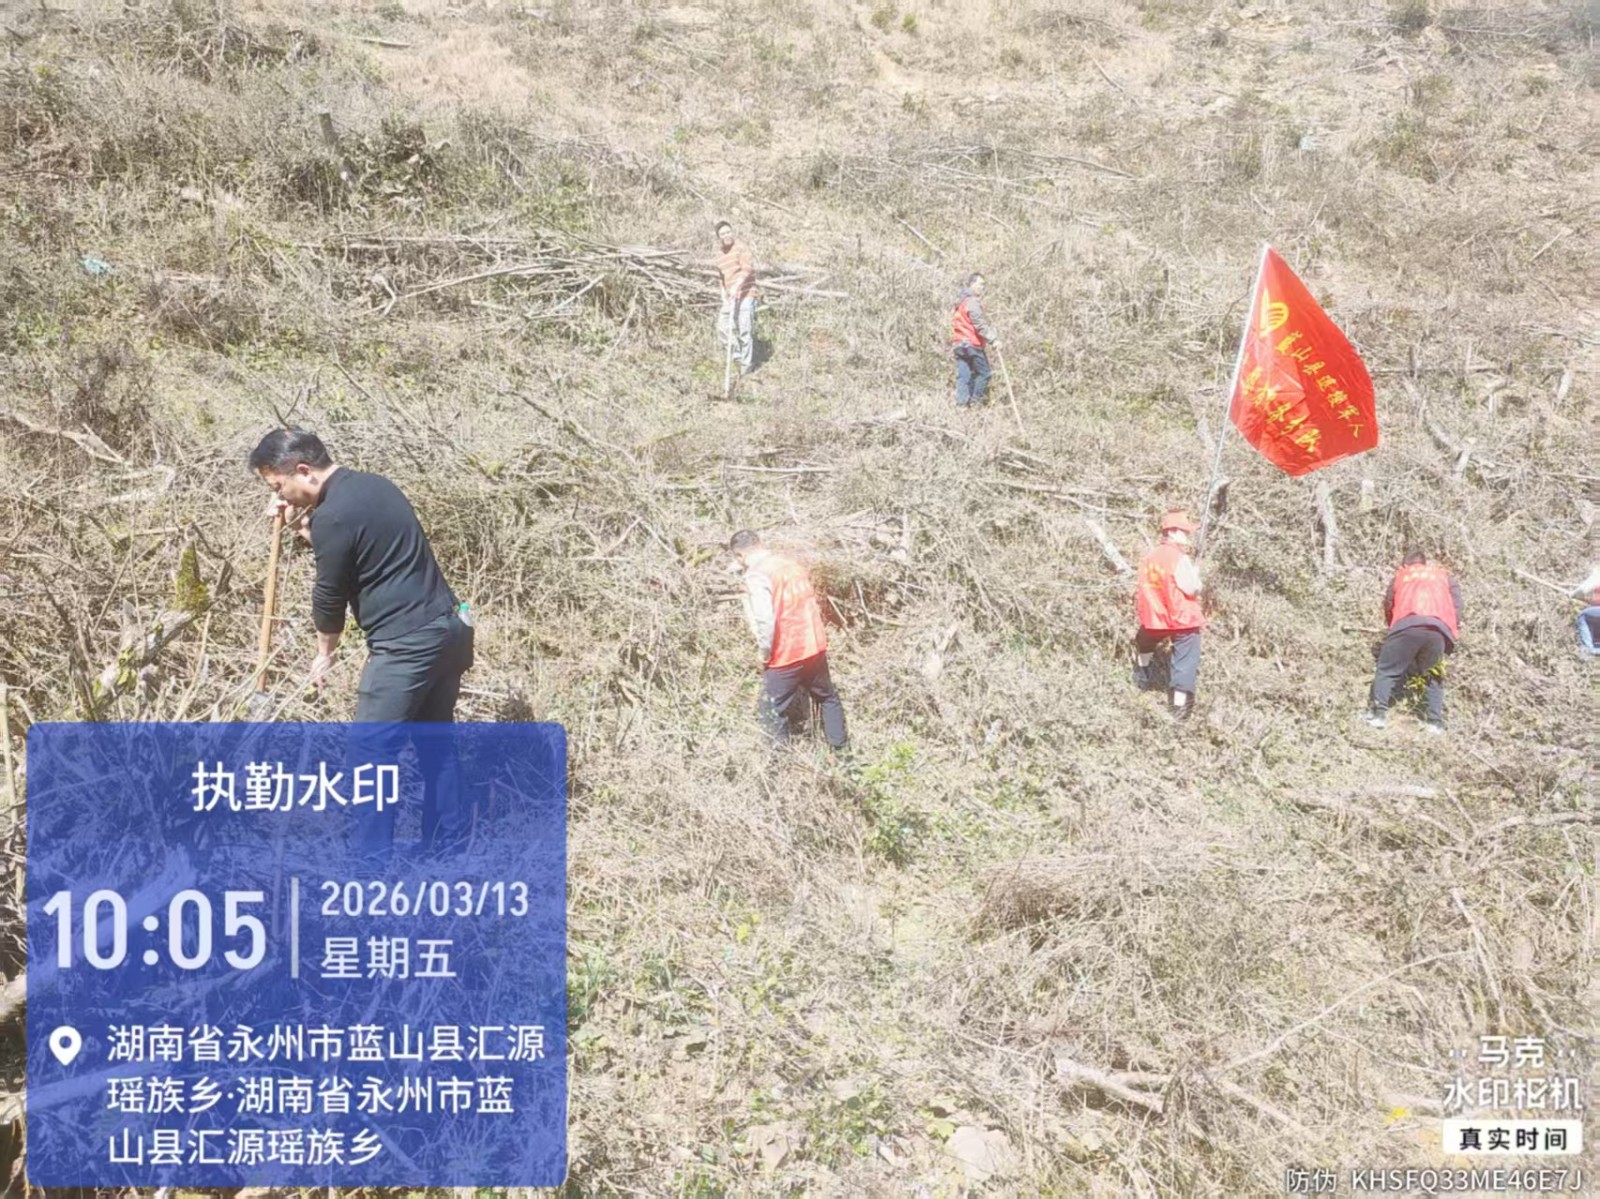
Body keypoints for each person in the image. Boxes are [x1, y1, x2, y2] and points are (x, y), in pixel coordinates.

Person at [249, 429, 474, 856]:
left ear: (303, 471)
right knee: (435, 743)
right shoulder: (373, 485)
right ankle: (448, 848)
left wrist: (324, 654)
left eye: (280, 487)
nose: (284, 496)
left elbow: (329, 593)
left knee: (369, 754)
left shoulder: (333, 516)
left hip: (407, 646)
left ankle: (370, 869)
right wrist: (299, 521)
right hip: (449, 631)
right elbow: (352, 548)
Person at [729, 530, 848, 751]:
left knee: (771, 710)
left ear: (740, 556)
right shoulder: (789, 564)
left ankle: (777, 769)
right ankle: (844, 757)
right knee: (827, 697)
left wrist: (765, 653)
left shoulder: (756, 575)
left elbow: (766, 620)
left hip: (787, 653)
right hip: (814, 644)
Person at [1364, 550, 1463, 734]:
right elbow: (1457, 604)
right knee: (1433, 676)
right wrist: (1450, 629)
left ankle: (1378, 714)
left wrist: (1392, 627)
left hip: (1407, 625)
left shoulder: (1401, 576)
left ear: (1406, 564)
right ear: (1424, 563)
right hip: (1437, 629)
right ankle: (1435, 722)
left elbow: (1389, 603)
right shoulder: (1443, 576)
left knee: (1387, 669)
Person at [1134, 510, 1204, 722]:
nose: (1188, 536)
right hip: (1182, 618)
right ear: (1173, 532)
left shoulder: (1150, 556)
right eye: (1185, 532)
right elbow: (1191, 588)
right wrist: (1197, 577)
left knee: (1143, 641)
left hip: (1155, 616)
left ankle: (1141, 674)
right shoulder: (1179, 558)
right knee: (1184, 663)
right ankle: (1179, 712)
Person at [715, 220, 759, 376]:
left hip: (747, 295)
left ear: (732, 232)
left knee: (744, 330)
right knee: (722, 327)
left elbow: (747, 268)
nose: (726, 235)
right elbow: (721, 276)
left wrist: (737, 285)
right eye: (722, 234)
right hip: (730, 298)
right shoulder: (720, 255)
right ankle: (737, 357)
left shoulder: (742, 248)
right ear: (719, 237)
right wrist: (723, 295)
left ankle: (746, 367)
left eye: (728, 232)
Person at [951, 272, 1001, 408]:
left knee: (964, 376)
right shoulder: (971, 302)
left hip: (958, 344)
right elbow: (980, 324)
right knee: (984, 373)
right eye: (980, 284)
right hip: (971, 344)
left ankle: (961, 405)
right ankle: (975, 403)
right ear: (972, 284)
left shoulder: (959, 302)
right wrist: (993, 339)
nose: (982, 287)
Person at [1574, 563, 1600, 656]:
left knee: (1583, 616)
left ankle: (1588, 649)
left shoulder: (1597, 575)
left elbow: (1580, 591)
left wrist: (1572, 594)